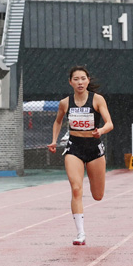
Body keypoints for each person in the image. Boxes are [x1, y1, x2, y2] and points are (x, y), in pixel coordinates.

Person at [47, 66, 113, 246]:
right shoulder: (65, 103)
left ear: (88, 80)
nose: (80, 82)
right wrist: (54, 140)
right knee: (76, 189)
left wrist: (100, 130)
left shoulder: (97, 100)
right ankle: (80, 232)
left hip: (94, 149)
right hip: (74, 147)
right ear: (70, 82)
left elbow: (109, 124)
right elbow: (58, 121)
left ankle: (82, 228)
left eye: (83, 78)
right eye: (76, 79)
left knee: (98, 195)